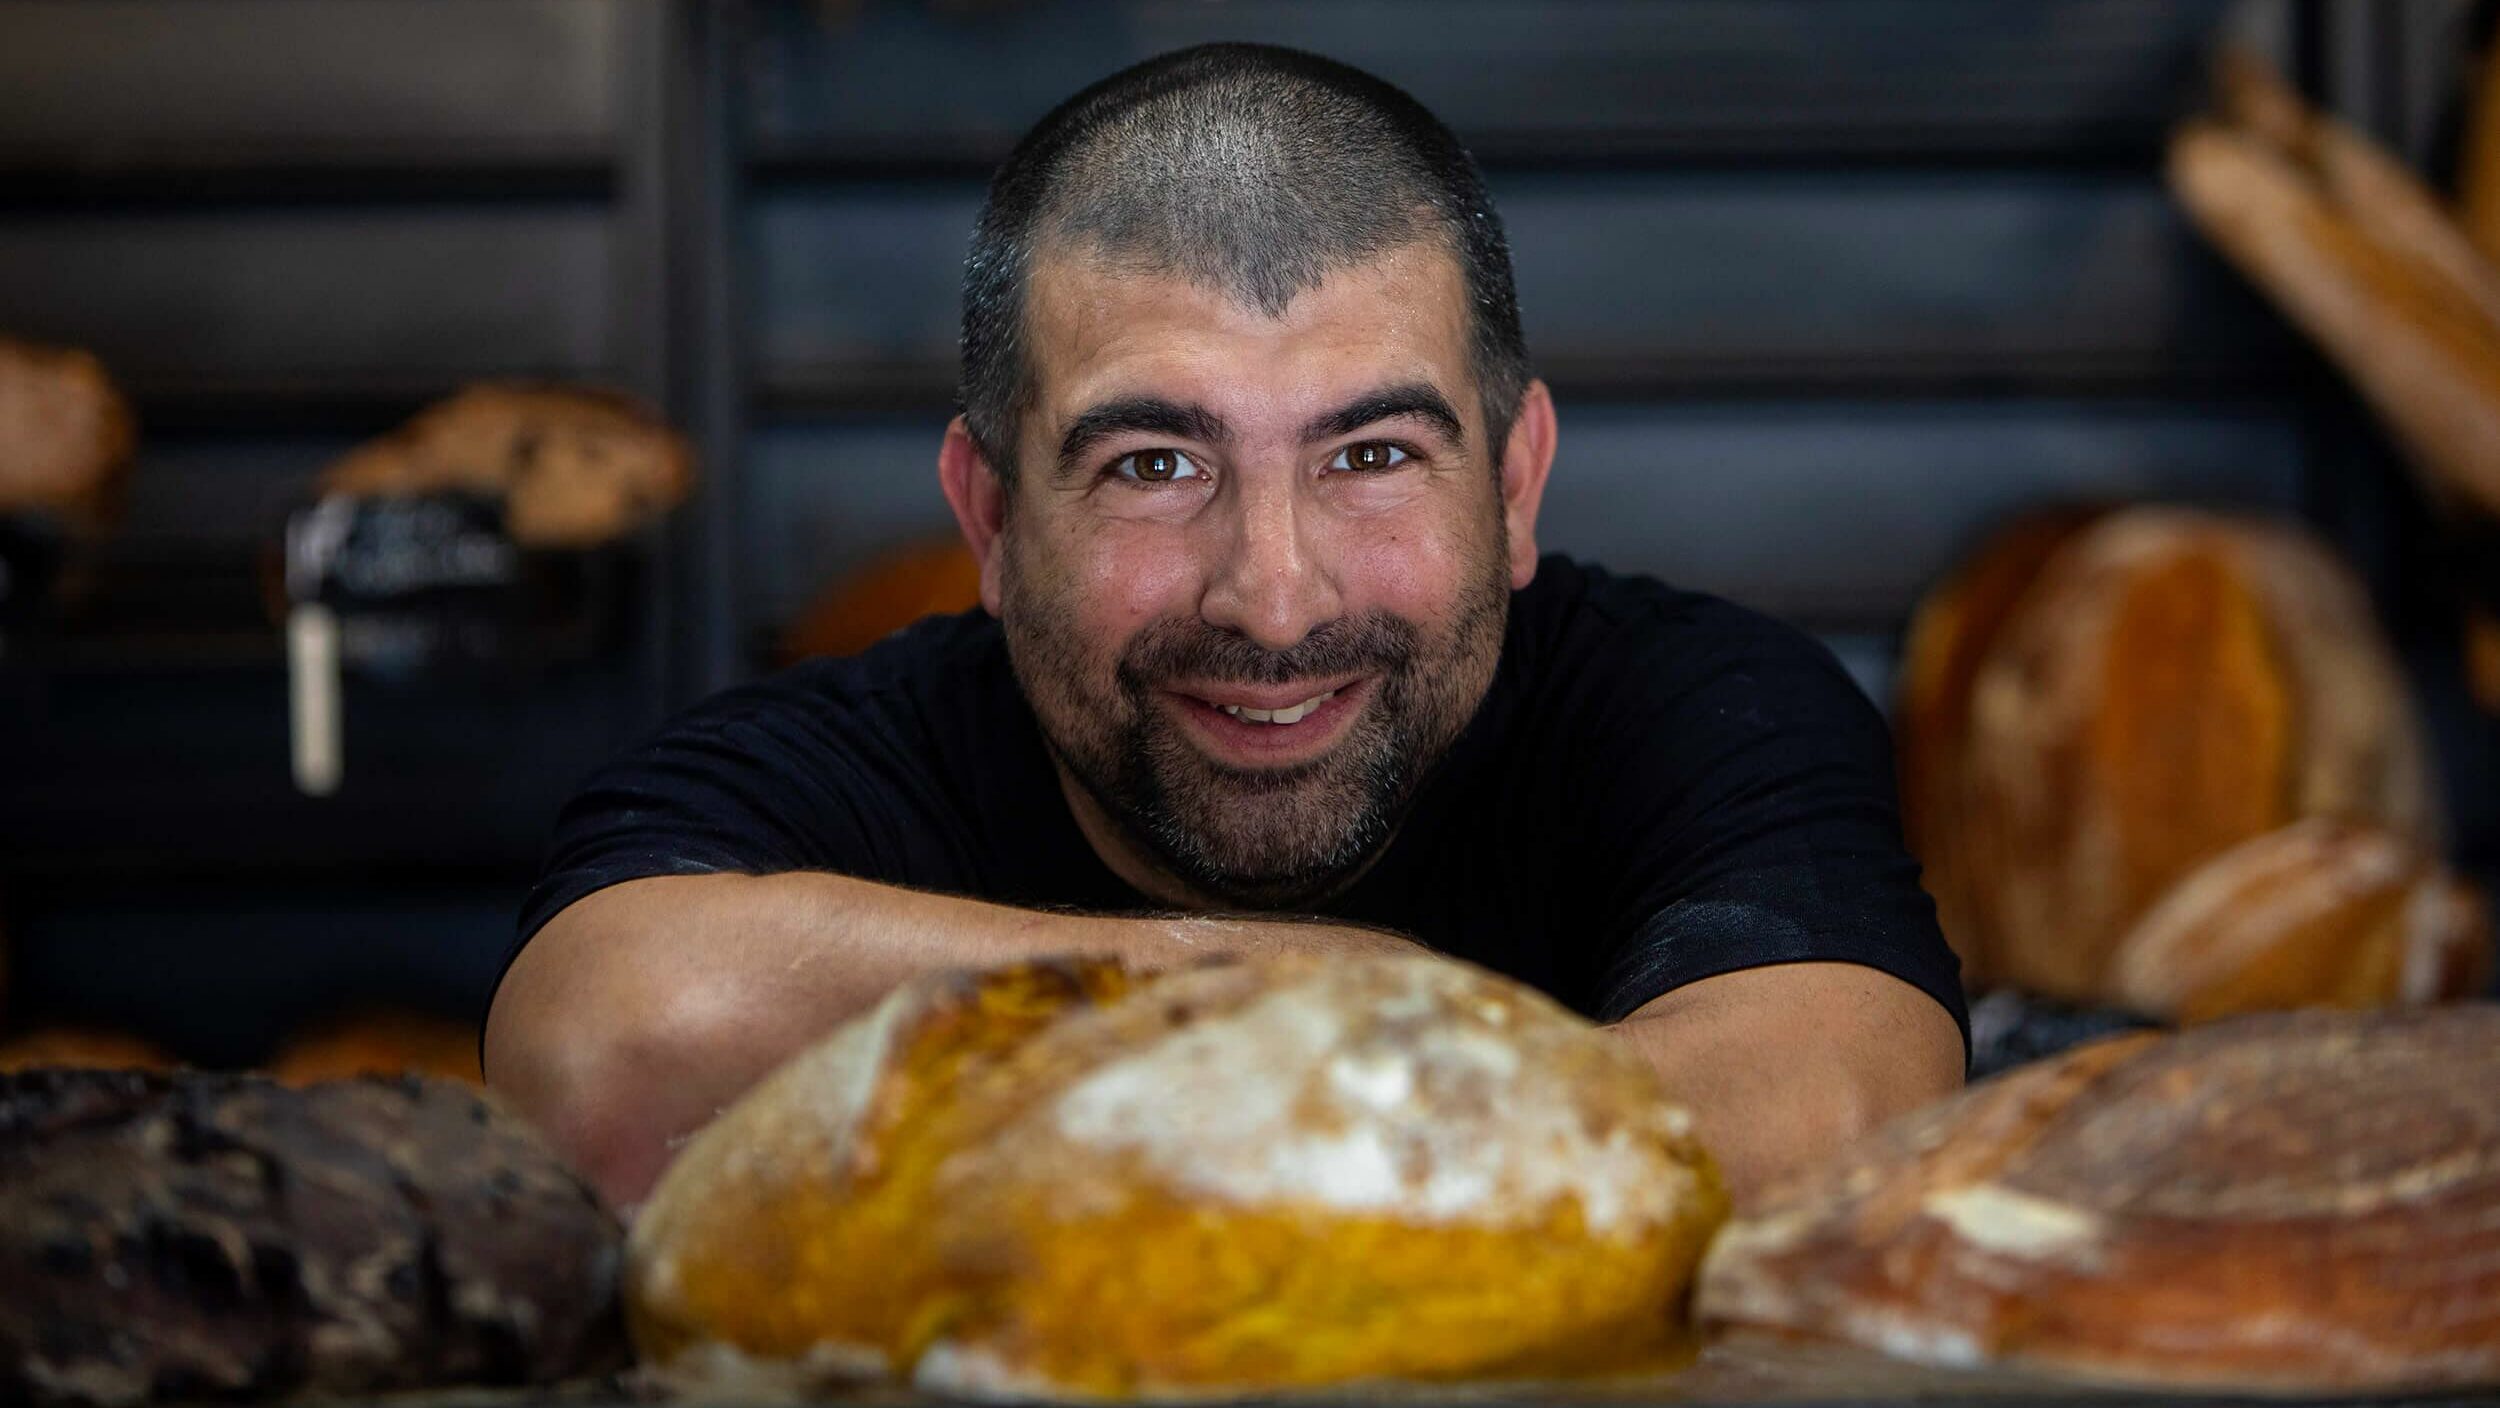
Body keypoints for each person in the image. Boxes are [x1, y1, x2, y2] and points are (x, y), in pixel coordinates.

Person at [485, 43, 1966, 1208]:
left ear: (1516, 486)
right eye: (1155, 466)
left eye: (1373, 456)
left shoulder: (1702, 707)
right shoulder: (819, 768)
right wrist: (1342, 994)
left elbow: (1843, 1119)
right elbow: (595, 1052)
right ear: (991, 520)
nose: (1273, 595)